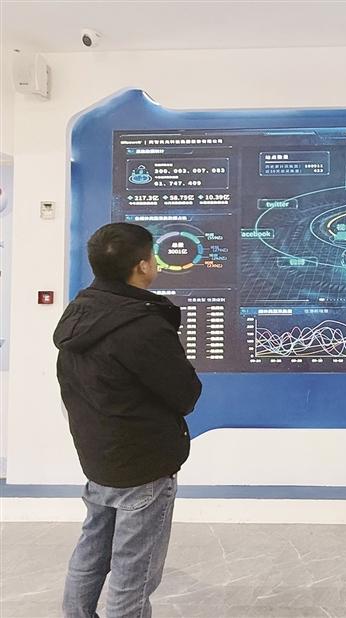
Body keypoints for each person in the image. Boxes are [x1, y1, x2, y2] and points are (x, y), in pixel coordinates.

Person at [54, 222, 202, 618]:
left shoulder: (78, 314)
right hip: (143, 465)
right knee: (132, 573)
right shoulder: (144, 325)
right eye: (153, 256)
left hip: (98, 456)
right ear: (142, 266)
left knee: (91, 550)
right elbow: (185, 393)